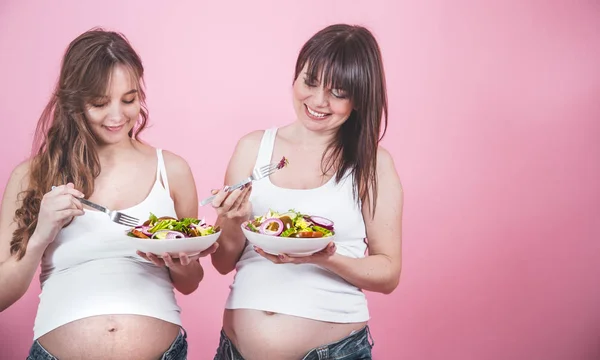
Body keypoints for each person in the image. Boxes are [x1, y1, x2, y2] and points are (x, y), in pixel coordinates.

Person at [0, 28, 216, 360]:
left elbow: (189, 282)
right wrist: (41, 235)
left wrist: (180, 261)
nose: (117, 116)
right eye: (100, 103)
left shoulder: (171, 170)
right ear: (73, 102)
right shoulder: (32, 176)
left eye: (129, 99)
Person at [209, 23, 404, 360]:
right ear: (296, 77)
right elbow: (223, 262)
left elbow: (387, 273)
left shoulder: (374, 164)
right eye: (310, 82)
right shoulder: (253, 148)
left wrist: (325, 257)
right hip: (237, 351)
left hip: (335, 351)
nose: (318, 100)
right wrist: (231, 220)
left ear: (359, 98)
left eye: (338, 92)